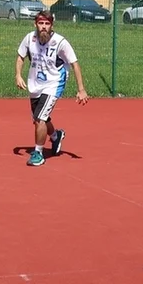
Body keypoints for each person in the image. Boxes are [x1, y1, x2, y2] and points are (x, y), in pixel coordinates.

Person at [15, 10, 89, 167]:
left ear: (52, 26)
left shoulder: (60, 42)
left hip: (54, 83)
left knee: (40, 119)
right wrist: (18, 75)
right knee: (38, 118)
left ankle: (38, 153)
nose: (43, 27)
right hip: (35, 83)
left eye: (47, 24)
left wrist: (81, 89)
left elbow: (75, 63)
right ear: (35, 24)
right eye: (41, 23)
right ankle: (56, 136)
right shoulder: (30, 38)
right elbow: (21, 57)